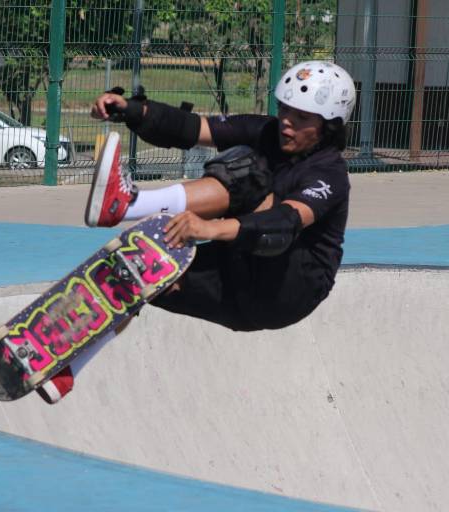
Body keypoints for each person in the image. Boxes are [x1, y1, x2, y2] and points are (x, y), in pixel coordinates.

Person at [37, 60, 356, 404]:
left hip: (289, 286)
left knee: (247, 175)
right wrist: (130, 110)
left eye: (303, 118)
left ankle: (129, 205)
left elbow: (285, 222)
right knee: (137, 269)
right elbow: (191, 128)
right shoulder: (266, 130)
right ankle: (66, 368)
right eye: (284, 110)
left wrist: (210, 228)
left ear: (329, 127)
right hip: (234, 281)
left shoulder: (329, 174)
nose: (287, 124)